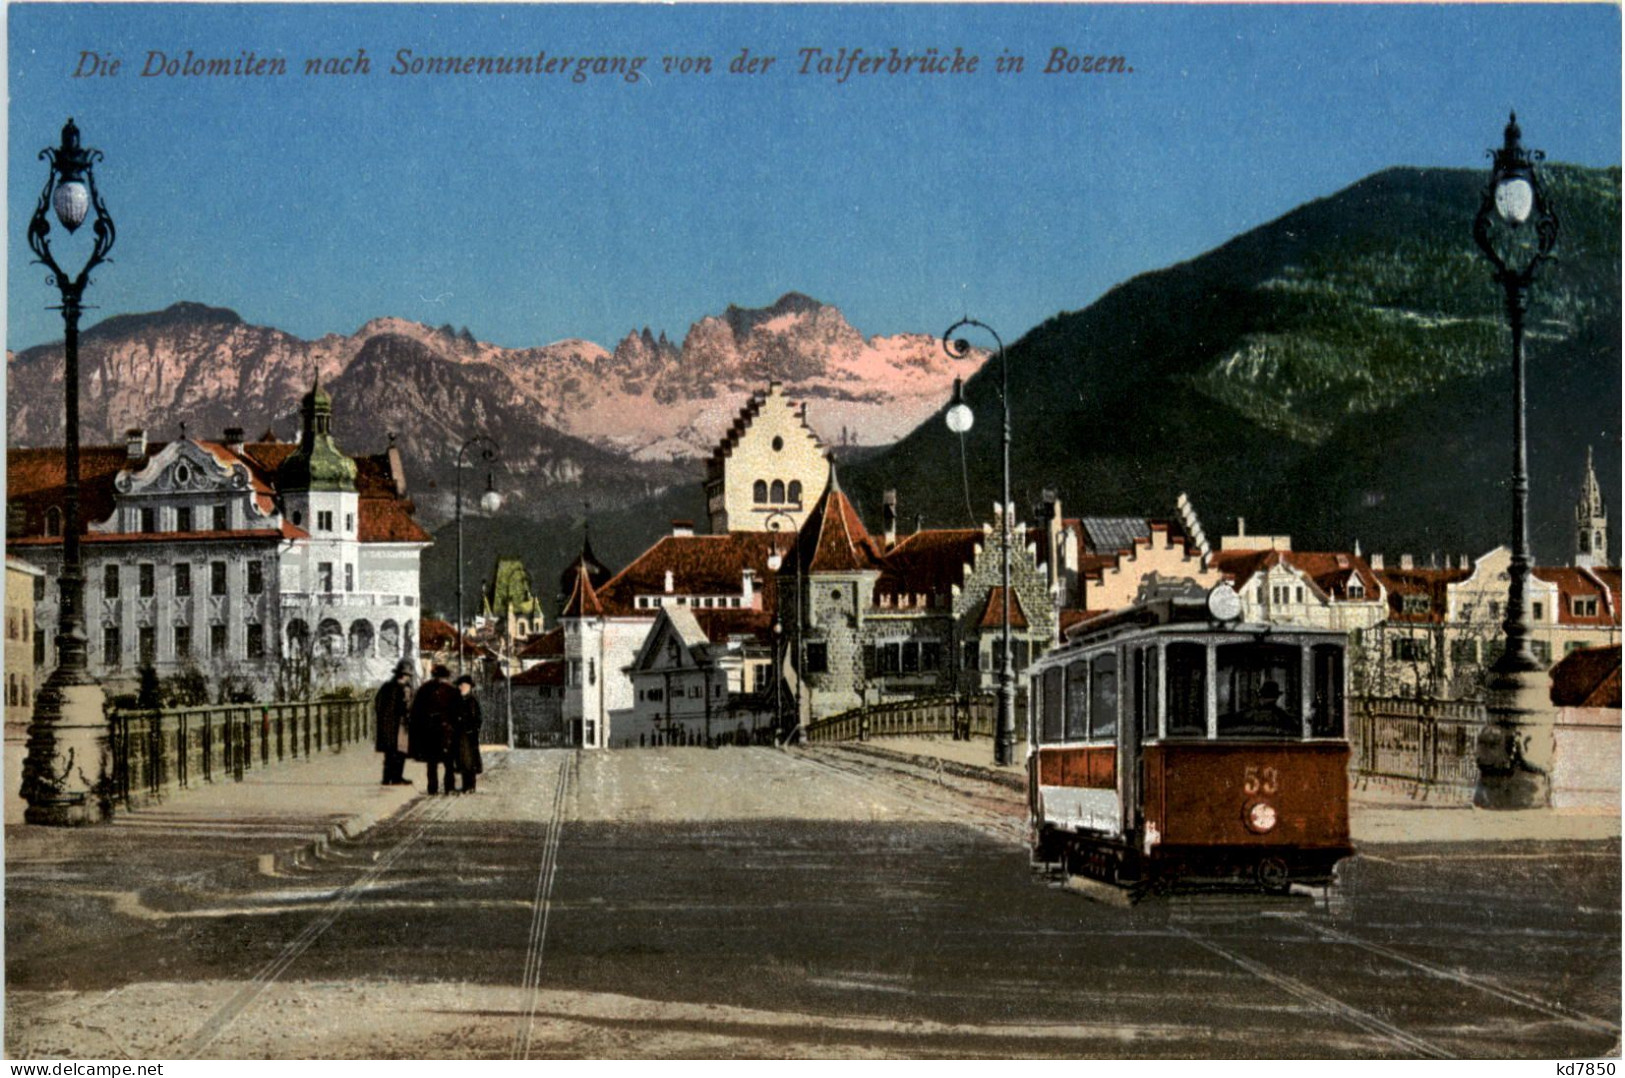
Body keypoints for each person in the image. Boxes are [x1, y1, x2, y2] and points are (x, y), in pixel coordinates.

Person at [408, 664, 462, 795]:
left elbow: (415, 712)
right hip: (441, 731)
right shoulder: (451, 690)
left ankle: (436, 787)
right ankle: (444, 787)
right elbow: (458, 712)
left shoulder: (425, 689)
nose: (440, 680)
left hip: (434, 731)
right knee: (444, 761)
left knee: (437, 762)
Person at [373, 660, 414, 786]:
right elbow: (380, 705)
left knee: (401, 751)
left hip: (402, 724)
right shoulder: (389, 687)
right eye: (404, 675)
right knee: (391, 752)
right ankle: (388, 778)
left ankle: (396, 777)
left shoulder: (407, 688)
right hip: (391, 725)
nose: (405, 678)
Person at [454, 675, 485, 794]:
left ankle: (471, 786)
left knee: (470, 761)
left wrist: (473, 729)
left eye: (465, 686)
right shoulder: (457, 700)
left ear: (469, 687)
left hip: (469, 735)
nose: (462, 688)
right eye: (461, 686)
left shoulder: (472, 700)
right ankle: (465, 785)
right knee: (463, 761)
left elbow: (478, 718)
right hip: (460, 735)